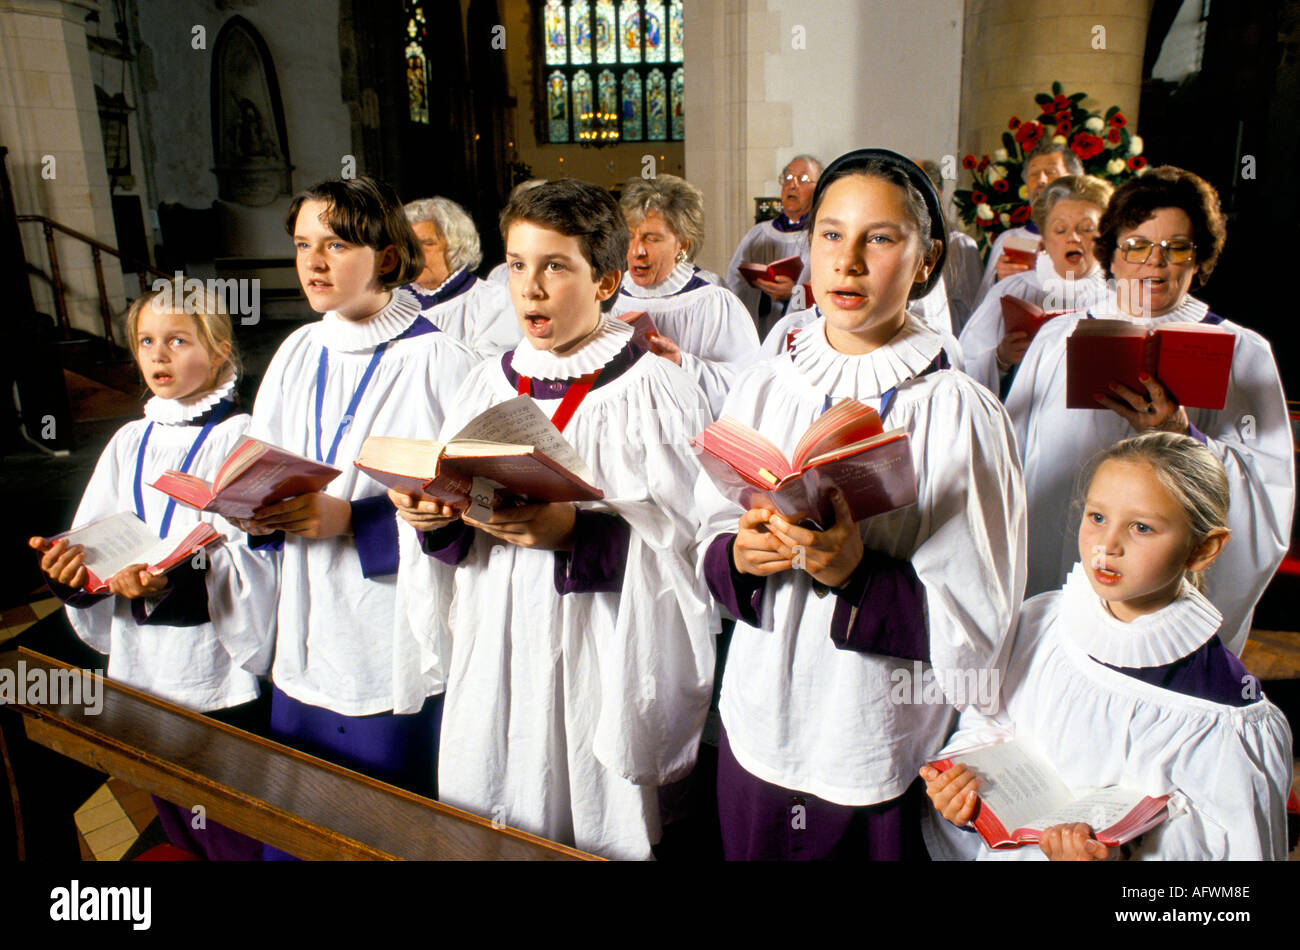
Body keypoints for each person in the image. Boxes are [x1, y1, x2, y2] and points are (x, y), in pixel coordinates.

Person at [697, 149, 1027, 860]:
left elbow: (982, 623)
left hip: (874, 730)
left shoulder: (959, 412)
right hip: (759, 719)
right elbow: (708, 523)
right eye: (830, 234)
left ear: (927, 256)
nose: (847, 262)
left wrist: (857, 575)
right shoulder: (766, 382)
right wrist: (738, 553)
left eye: (879, 238)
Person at [390, 179, 715, 860]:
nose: (530, 289)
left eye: (555, 266)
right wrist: (432, 519)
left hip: (598, 645)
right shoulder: (484, 382)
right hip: (494, 632)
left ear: (606, 281)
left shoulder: (655, 389)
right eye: (516, 265)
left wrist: (573, 532)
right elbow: (453, 521)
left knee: (593, 822)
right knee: (491, 803)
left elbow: (690, 550)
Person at [922, 433, 1293, 861]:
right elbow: (989, 723)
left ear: (1203, 548)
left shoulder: (1223, 713)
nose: (1107, 545)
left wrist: (1117, 857)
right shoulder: (1041, 622)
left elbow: (1232, 855)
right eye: (1097, 517)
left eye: (1141, 527)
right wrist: (963, 791)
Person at [238, 177, 477, 829]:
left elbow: (474, 501)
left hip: (390, 634)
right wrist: (254, 508)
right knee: (299, 820)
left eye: (337, 244)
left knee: (383, 827)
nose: (314, 262)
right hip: (308, 628)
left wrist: (354, 519)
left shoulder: (441, 362)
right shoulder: (296, 351)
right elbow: (261, 457)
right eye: (302, 245)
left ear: (388, 259)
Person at [29, 287, 277, 860]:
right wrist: (68, 569)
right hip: (143, 657)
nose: (159, 355)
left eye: (178, 340)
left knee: (229, 816)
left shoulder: (241, 437)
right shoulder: (129, 439)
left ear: (219, 352)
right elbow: (92, 532)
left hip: (215, 661)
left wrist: (173, 580)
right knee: (171, 804)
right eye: (146, 341)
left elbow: (255, 556)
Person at [1005, 166, 1293, 654]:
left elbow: (1268, 489)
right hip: (1056, 561)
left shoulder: (1244, 352)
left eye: (1177, 247)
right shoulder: (1059, 339)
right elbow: (1010, 459)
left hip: (1165, 588)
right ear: (1111, 253)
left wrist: (1183, 434)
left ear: (1199, 257)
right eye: (1137, 245)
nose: (1155, 264)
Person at [610, 173, 760, 416]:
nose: (637, 251)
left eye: (652, 239)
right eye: (630, 237)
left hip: (688, 437)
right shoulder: (608, 296)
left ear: (683, 244)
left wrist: (682, 363)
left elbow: (747, 386)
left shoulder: (713, 301)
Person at [959, 174, 1113, 396]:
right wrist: (1001, 358)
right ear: (1044, 241)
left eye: (1087, 229)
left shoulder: (1119, 294)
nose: (1074, 238)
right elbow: (963, 370)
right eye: (1060, 230)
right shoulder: (1014, 289)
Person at [403, 196, 520, 359]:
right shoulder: (392, 301)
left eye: (427, 244)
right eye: (407, 244)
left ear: (456, 246)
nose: (413, 253)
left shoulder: (494, 300)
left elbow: (494, 370)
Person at [725, 155, 821, 336]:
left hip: (804, 334)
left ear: (818, 188)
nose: (792, 185)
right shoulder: (759, 234)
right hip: (760, 329)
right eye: (788, 178)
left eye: (802, 179)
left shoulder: (821, 236)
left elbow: (828, 291)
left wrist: (794, 293)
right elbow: (733, 284)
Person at [976, 143, 1083, 299]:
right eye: (1033, 174)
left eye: (1050, 172)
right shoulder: (1009, 239)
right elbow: (983, 305)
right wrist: (999, 278)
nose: (1041, 180)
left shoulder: (1089, 237)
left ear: (1073, 181)